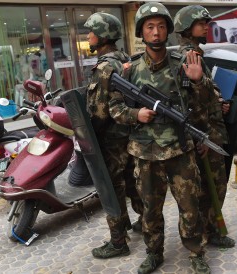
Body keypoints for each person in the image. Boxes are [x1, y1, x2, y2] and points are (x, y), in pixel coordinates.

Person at [110, 2, 213, 273]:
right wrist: (135, 114)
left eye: (161, 27)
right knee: (150, 209)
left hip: (180, 150)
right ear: (142, 33)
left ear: (168, 31)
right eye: (150, 27)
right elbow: (114, 108)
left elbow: (203, 106)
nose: (156, 33)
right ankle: (154, 253)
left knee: (190, 206)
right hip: (144, 153)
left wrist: (198, 81)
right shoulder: (129, 70)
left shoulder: (184, 64)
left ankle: (195, 252)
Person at [174, 5, 236, 249]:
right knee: (211, 187)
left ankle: (209, 229)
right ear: (188, 28)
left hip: (210, 131)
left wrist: (218, 101)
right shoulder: (188, 57)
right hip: (205, 134)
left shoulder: (195, 54)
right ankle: (209, 232)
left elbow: (205, 89)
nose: (206, 27)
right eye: (201, 24)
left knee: (213, 186)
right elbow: (188, 101)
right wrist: (202, 137)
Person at [83, 12, 141, 259]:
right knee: (134, 183)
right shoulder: (125, 60)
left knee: (112, 188)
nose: (88, 36)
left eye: (91, 32)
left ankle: (118, 241)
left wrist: (88, 136)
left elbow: (99, 111)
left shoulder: (104, 66)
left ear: (103, 35)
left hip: (111, 140)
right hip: (132, 136)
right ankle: (146, 223)